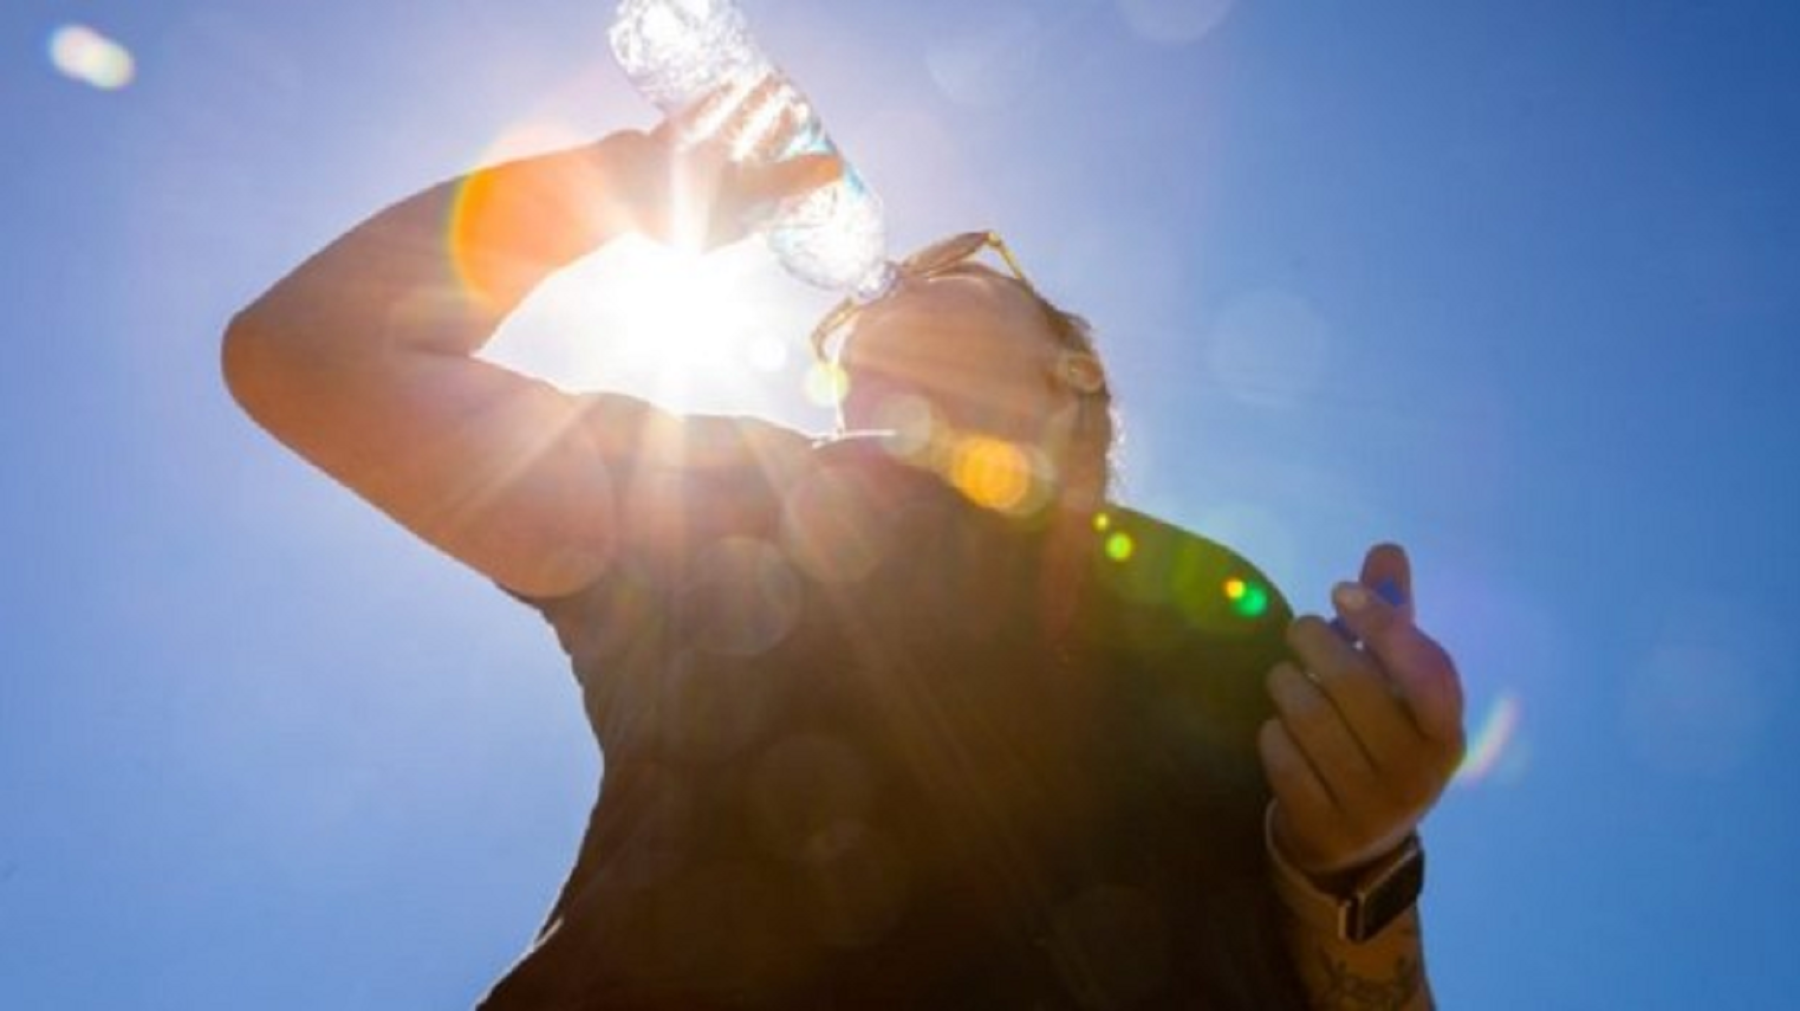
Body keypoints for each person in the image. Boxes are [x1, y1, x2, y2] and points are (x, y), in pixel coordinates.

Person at [223, 113, 1466, 1009]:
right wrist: (601, 193)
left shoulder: (1214, 601)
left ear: (1071, 375)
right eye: (841, 345)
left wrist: (1357, 861)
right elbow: (310, 356)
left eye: (952, 269)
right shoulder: (737, 495)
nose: (884, 289)